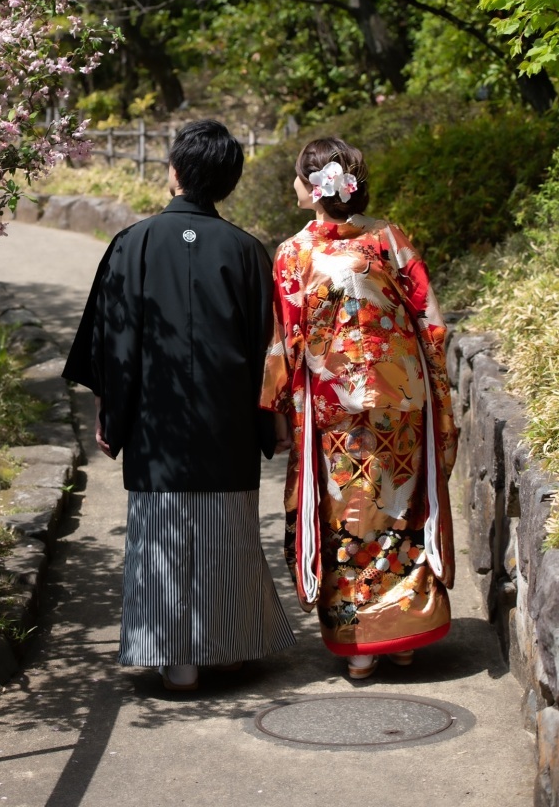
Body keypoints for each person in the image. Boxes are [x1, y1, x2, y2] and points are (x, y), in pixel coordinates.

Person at [63, 119, 295, 692]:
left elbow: (113, 345)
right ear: (228, 182)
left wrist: (112, 417)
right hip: (228, 423)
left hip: (155, 424)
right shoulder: (246, 251)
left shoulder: (132, 245)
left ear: (173, 173)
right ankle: (233, 647)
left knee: (163, 532)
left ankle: (177, 661)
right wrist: (271, 422)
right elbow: (268, 349)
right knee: (227, 532)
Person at [260, 136, 457, 680]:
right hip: (405, 400)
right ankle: (403, 637)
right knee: (400, 508)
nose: (295, 188)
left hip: (335, 411)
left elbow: (285, 342)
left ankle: (361, 645)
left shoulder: (294, 254)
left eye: (299, 178)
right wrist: (434, 382)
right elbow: (430, 317)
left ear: (314, 188)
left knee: (349, 516)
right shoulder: (387, 238)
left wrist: (276, 407)